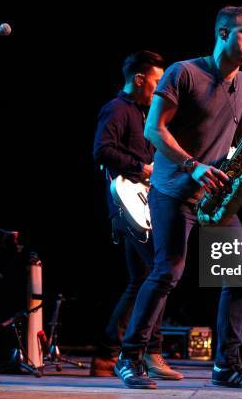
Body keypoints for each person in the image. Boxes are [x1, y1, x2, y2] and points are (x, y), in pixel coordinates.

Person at [114, 6, 242, 389]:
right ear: (222, 34)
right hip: (173, 189)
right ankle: (130, 355)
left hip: (217, 196)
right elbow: (155, 131)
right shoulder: (184, 72)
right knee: (168, 272)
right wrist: (193, 165)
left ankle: (227, 365)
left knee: (240, 276)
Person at [91, 51, 183, 380]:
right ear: (140, 78)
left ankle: (111, 355)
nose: (159, 89)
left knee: (143, 278)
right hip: (126, 204)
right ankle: (142, 352)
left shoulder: (144, 114)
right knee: (157, 273)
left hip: (141, 203)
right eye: (156, 82)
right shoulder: (117, 109)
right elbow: (101, 150)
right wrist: (141, 166)